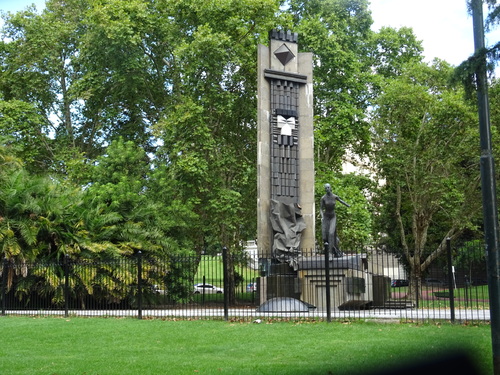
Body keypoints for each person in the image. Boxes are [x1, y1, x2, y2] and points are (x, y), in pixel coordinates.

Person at [320, 183, 350, 257]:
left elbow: (341, 201)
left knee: (331, 233)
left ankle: (330, 253)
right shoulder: (323, 198)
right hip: (326, 217)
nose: (327, 189)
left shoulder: (334, 196)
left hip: (333, 217)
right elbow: (321, 208)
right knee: (324, 236)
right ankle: (330, 248)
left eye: (328, 187)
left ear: (330, 188)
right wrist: (322, 216)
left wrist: (347, 205)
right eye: (326, 188)